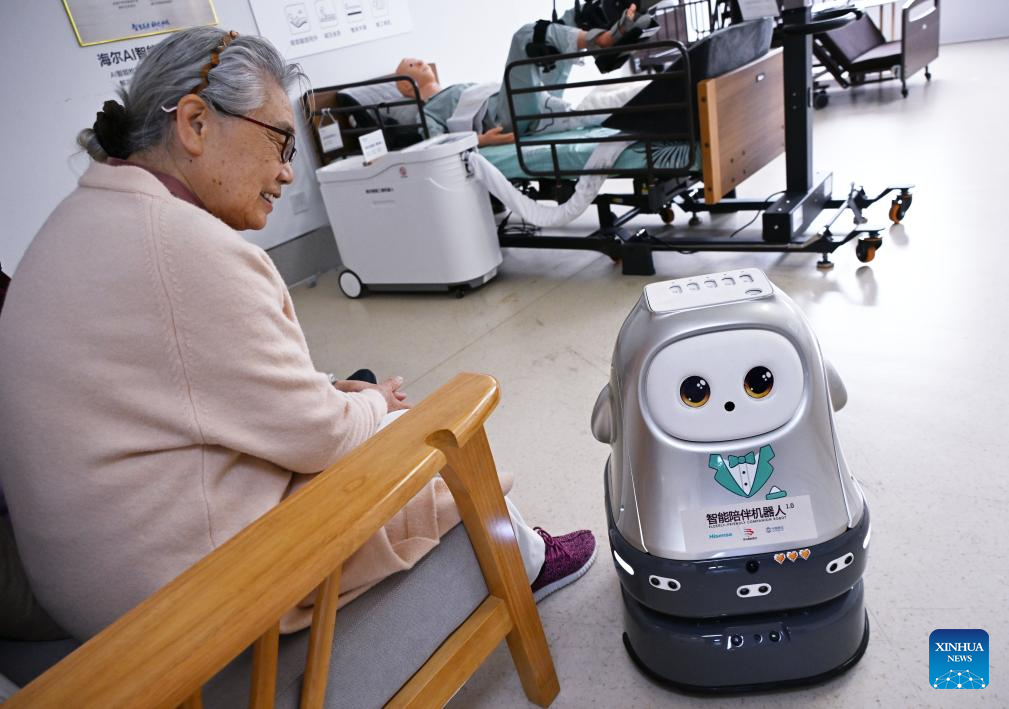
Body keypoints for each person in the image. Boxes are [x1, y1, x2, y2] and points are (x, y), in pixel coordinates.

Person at [0, 27, 595, 642]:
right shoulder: (186, 248)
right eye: (281, 141)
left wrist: (337, 395)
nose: (288, 174)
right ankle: (525, 560)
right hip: (174, 607)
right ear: (196, 124)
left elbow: (188, 380)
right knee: (418, 433)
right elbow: (324, 437)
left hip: (84, 580)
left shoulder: (77, 218)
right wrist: (367, 405)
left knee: (352, 393)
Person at [391, 2, 649, 143]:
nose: (420, 61)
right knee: (525, 37)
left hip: (523, 101)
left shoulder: (455, 87)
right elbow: (436, 145)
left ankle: (624, 17)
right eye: (410, 65)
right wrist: (481, 141)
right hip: (505, 116)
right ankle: (604, 41)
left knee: (571, 19)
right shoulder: (427, 112)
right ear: (404, 86)